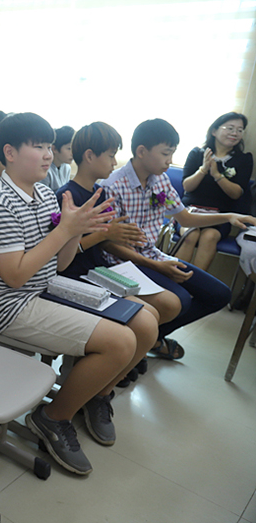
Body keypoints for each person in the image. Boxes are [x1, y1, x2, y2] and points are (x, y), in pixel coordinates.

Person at [0, 113, 159, 475]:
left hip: (44, 288)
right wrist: (65, 230)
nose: (47, 155)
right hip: (10, 306)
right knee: (121, 343)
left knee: (146, 324)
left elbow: (59, 264)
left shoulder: (43, 193)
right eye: (38, 146)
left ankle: (95, 395)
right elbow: (14, 276)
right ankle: (53, 417)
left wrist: (75, 231)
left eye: (49, 147)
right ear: (9, 152)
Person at [100, 119, 254, 359]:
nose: (169, 161)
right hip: (123, 263)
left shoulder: (159, 179)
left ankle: (151, 338)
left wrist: (230, 216)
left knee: (219, 295)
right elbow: (108, 243)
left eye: (172, 154)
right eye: (165, 154)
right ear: (141, 151)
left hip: (151, 255)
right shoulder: (113, 186)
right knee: (179, 300)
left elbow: (185, 218)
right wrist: (158, 266)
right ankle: (145, 341)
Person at [56, 122, 182, 382]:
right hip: (76, 274)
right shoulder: (67, 195)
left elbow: (106, 236)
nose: (115, 162)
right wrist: (106, 234)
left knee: (160, 311)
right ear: (90, 156)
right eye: (111, 155)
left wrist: (115, 234)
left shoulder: (99, 194)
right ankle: (103, 378)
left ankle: (112, 375)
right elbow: (66, 254)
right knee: (147, 320)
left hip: (99, 270)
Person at [176, 113, 252, 271]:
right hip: (190, 211)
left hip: (220, 215)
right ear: (214, 131)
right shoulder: (197, 154)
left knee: (210, 236)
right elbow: (187, 187)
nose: (234, 133)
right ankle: (173, 281)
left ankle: (195, 286)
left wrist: (217, 175)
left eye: (239, 130)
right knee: (191, 234)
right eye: (230, 128)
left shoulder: (244, 159)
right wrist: (203, 170)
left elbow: (236, 193)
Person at [39, 125, 74, 191]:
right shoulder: (45, 169)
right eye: (69, 148)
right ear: (54, 149)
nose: (73, 153)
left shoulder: (67, 167)